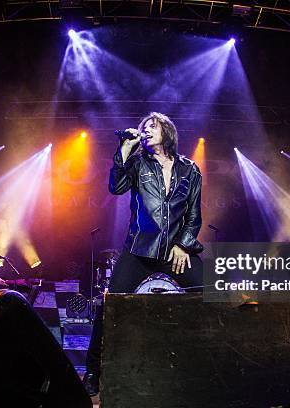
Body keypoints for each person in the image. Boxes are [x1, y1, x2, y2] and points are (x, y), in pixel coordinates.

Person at [82, 112, 204, 395]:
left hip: (176, 250)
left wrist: (184, 245)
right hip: (140, 249)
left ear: (167, 131)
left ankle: (215, 360)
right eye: (143, 127)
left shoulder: (190, 169)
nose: (147, 130)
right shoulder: (137, 164)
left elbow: (194, 214)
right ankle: (93, 371)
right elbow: (115, 187)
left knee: (212, 292)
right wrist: (125, 149)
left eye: (153, 126)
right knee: (110, 305)